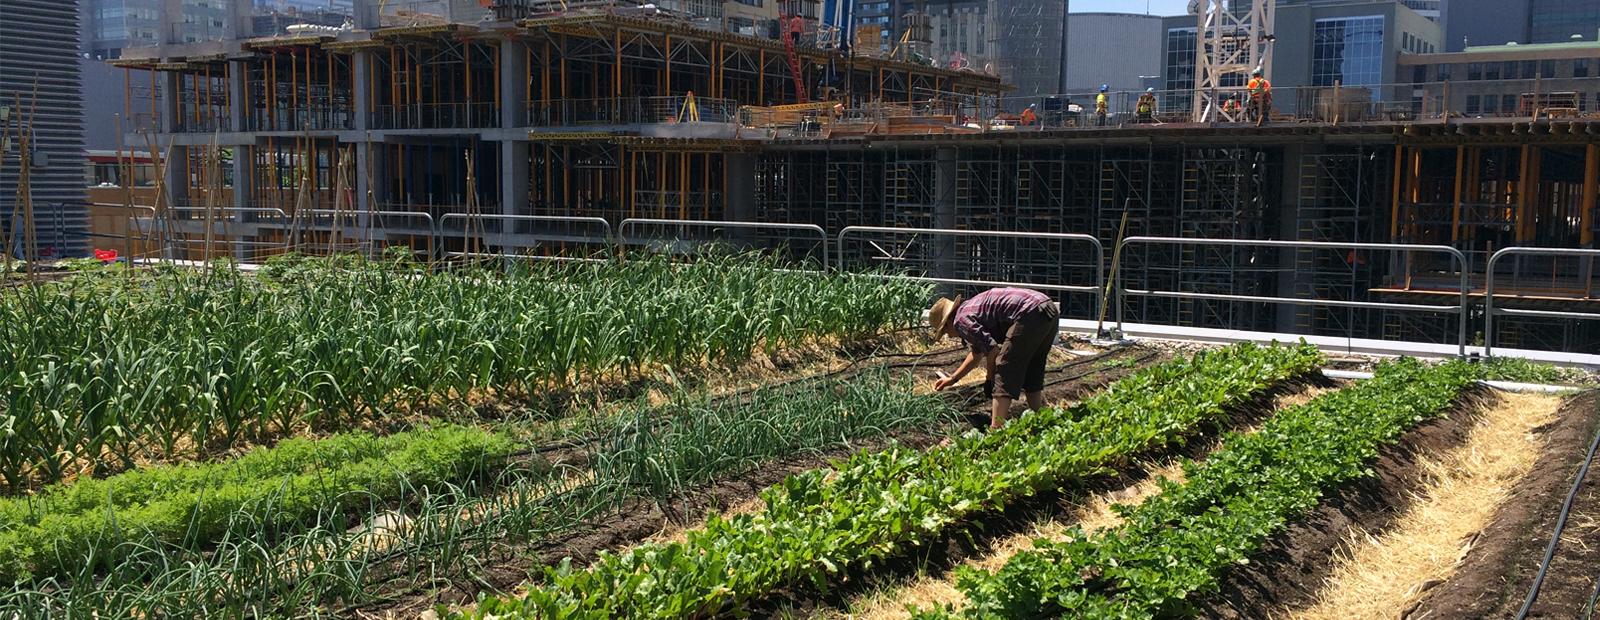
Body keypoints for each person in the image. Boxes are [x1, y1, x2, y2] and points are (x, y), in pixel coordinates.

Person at [928, 288, 1061, 430]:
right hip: (1046, 308)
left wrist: (990, 378)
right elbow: (976, 353)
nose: (949, 335)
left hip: (1028, 313)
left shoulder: (960, 320)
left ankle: (996, 430)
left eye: (945, 332)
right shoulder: (970, 308)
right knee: (1033, 368)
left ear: (948, 322)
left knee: (1004, 368)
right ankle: (1044, 421)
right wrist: (953, 379)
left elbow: (992, 351)